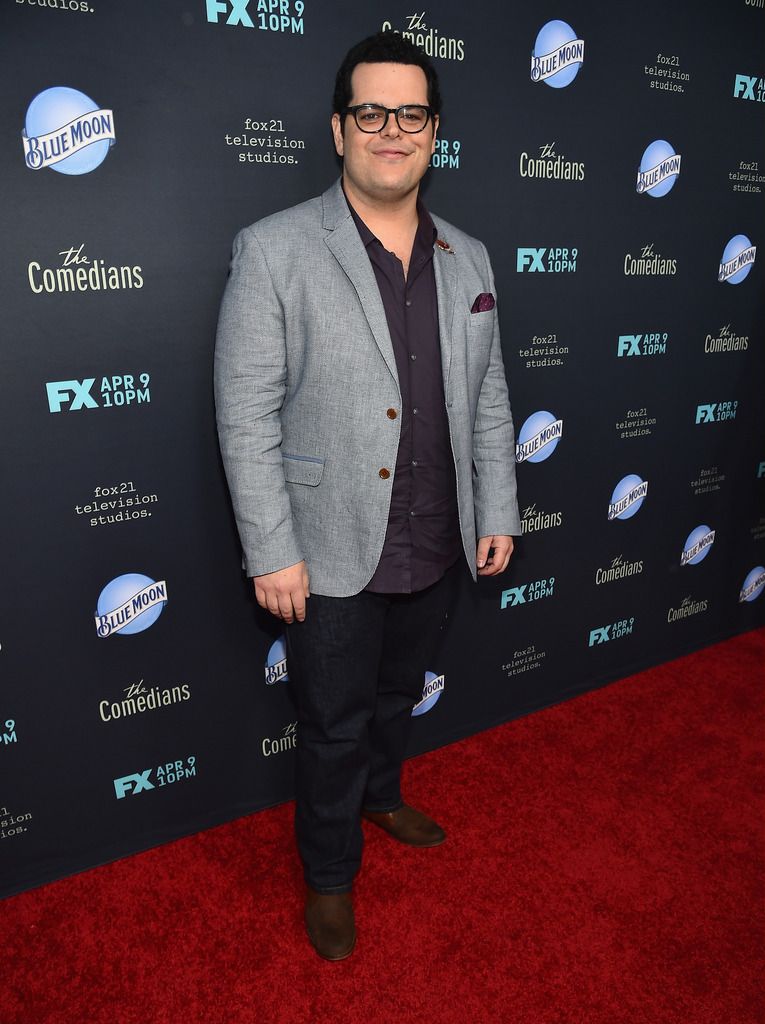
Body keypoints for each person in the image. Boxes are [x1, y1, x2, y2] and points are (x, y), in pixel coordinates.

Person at [214, 30, 520, 961]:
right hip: (330, 542)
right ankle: (329, 874)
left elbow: (490, 395)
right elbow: (244, 411)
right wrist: (271, 546)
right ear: (339, 129)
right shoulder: (273, 250)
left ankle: (384, 797)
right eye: (372, 113)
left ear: (435, 133)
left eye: (413, 114)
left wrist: (497, 506)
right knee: (334, 724)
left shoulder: (469, 257)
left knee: (395, 698)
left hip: (437, 536)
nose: (393, 130)